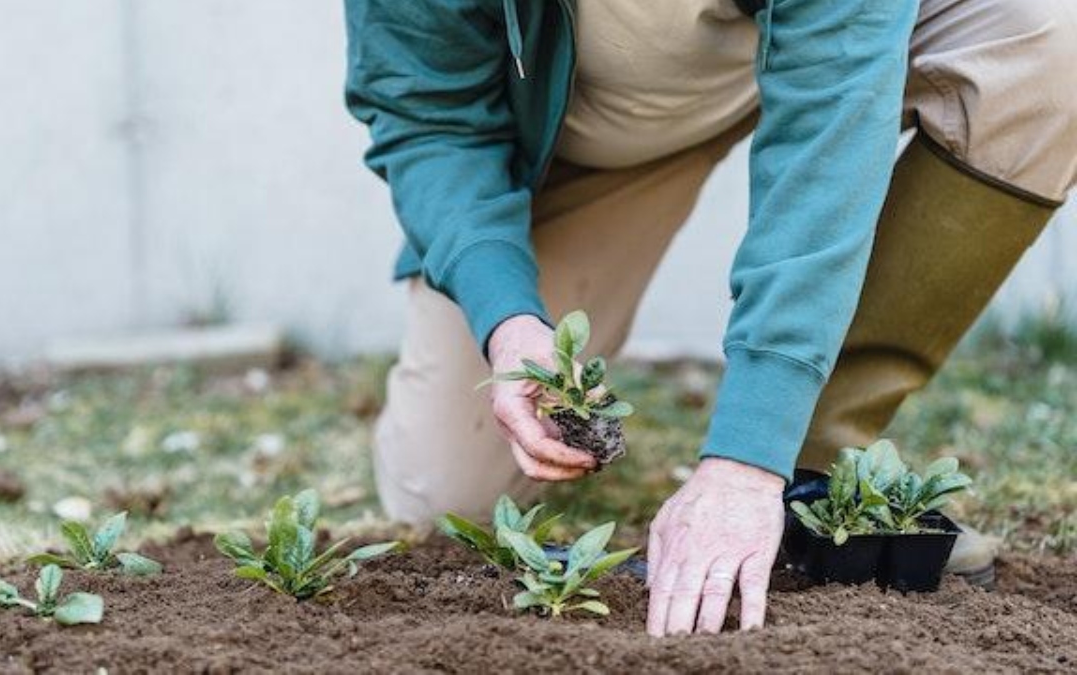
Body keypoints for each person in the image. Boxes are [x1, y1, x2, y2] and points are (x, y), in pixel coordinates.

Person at [344, 0, 1077, 636]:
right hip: (585, 130)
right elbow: (428, 114)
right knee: (443, 492)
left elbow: (828, 119)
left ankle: (804, 466)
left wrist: (747, 459)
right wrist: (509, 322)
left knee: (1045, 45)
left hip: (826, 49)